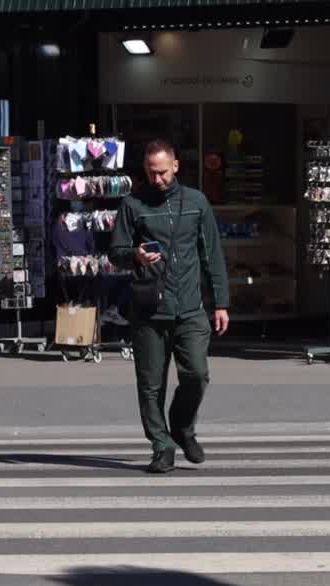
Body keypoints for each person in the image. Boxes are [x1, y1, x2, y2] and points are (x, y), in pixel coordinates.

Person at [111, 139, 230, 474]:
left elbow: (212, 255)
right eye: (151, 173)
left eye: (162, 172)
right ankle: (162, 446)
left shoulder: (196, 202)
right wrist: (134, 255)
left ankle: (181, 425)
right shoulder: (133, 205)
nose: (157, 179)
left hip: (190, 307)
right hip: (149, 309)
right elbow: (115, 252)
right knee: (150, 385)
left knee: (196, 374)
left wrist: (220, 302)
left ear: (175, 166)